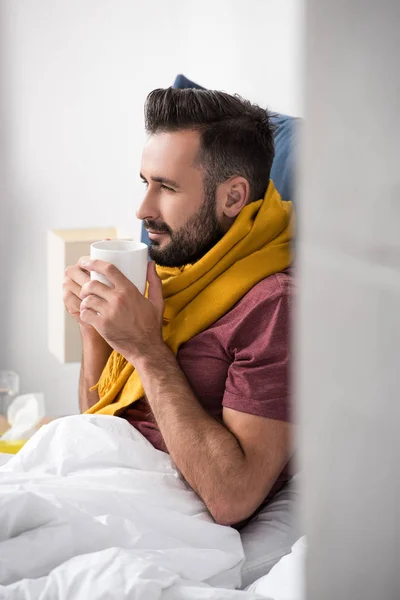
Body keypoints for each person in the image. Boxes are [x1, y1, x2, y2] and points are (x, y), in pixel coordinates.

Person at [63, 88, 294, 527]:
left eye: (166, 187)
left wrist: (147, 351)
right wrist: (95, 331)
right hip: (95, 480)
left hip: (152, 515)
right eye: (145, 183)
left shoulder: (274, 306)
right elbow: (97, 417)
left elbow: (233, 497)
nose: (143, 209)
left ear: (232, 198)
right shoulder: (173, 270)